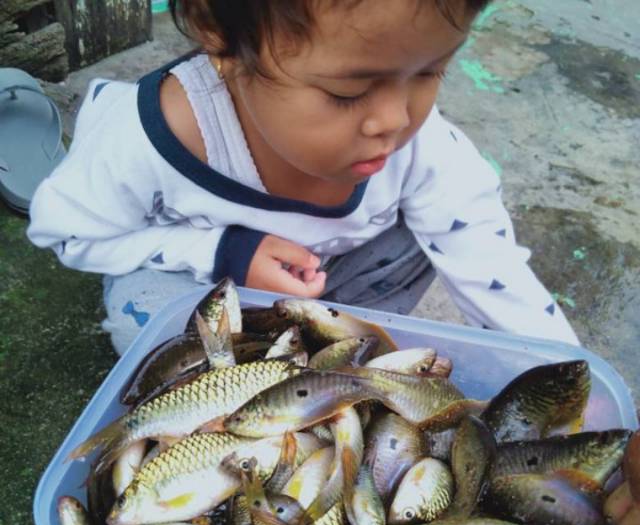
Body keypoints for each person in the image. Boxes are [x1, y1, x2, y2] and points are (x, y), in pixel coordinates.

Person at [27, 0, 580, 355]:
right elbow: (67, 234)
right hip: (209, 283)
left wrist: (570, 378)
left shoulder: (427, 147)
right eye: (347, 91)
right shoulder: (143, 141)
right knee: (141, 321)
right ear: (218, 35)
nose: (394, 120)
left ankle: (329, 341)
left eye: (430, 71)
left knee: (442, 226)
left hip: (331, 278)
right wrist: (224, 254)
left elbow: (493, 270)